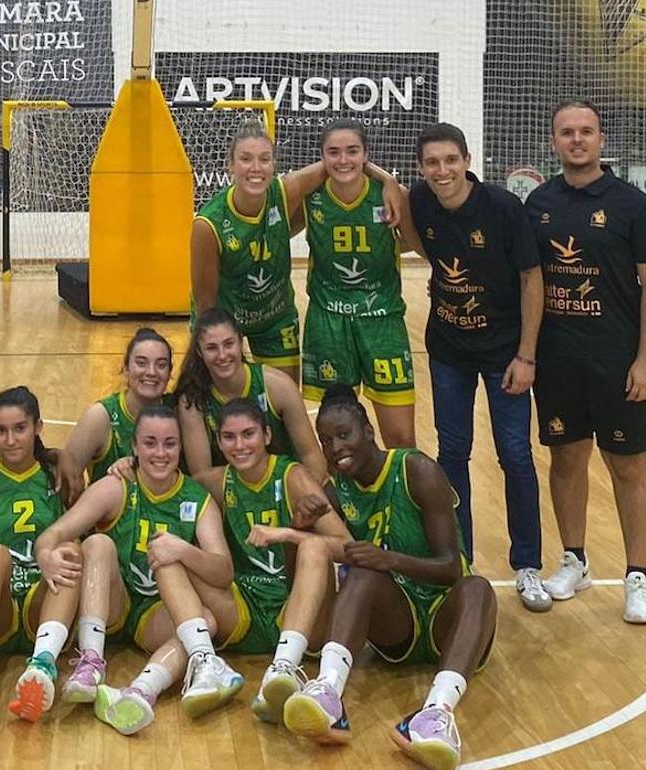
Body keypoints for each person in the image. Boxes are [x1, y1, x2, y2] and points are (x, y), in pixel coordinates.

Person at [282, 386, 496, 770]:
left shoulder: (417, 470)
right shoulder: (336, 491)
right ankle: (328, 693)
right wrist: (298, 529)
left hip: (447, 616)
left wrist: (389, 559)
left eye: (343, 434)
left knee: (478, 588)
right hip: (398, 627)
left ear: (368, 431)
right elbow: (293, 578)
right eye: (326, 441)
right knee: (363, 574)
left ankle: (435, 715)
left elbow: (451, 567)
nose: (335, 448)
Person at [524, 99, 646, 624]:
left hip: (616, 360)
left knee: (628, 465)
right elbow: (527, 279)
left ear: (602, 139)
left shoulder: (633, 205)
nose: (577, 140)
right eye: (567, 132)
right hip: (557, 360)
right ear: (554, 141)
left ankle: (637, 577)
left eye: (586, 131)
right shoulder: (538, 203)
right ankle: (575, 560)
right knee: (566, 459)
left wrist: (645, 360)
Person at [404, 122, 550, 612]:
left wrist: (526, 355)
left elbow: (532, 279)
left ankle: (527, 565)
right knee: (453, 454)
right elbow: (417, 239)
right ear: (421, 168)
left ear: (467, 160)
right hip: (449, 350)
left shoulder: (503, 208)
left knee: (516, 455)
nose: (442, 171)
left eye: (451, 160)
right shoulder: (420, 201)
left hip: (504, 352)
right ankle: (459, 560)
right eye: (432, 163)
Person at [34, 405, 244, 736]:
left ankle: (141, 690)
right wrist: (44, 554)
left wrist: (184, 550)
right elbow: (55, 533)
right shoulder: (116, 486)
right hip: (112, 602)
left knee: (206, 620)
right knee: (97, 544)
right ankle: (91, 661)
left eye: (169, 443)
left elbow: (223, 571)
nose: (160, 453)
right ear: (134, 446)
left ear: (180, 447)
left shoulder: (196, 498)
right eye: (150, 443)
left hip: (155, 613)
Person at [191, 120, 405, 384]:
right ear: (230, 165)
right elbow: (206, 305)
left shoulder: (285, 191)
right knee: (226, 396)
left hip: (274, 319)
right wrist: (218, 343)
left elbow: (339, 165)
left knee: (284, 399)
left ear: (274, 165)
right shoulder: (208, 224)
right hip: (225, 318)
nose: (256, 168)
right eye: (245, 159)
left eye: (264, 159)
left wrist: (388, 179)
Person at [190, 398, 351, 725]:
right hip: (243, 611)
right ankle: (206, 662)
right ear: (218, 442)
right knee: (177, 553)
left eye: (248, 434)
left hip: (297, 611)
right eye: (229, 437)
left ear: (266, 435)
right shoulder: (215, 482)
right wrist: (126, 466)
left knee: (314, 548)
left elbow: (346, 546)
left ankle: (284, 666)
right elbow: (161, 487)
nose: (239, 445)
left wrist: (288, 534)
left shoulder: (293, 477)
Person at [0, 386, 82, 738]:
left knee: (71, 548)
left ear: (38, 427)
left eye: (20, 428)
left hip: (46, 604)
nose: (10, 440)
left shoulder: (58, 477)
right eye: (1, 430)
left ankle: (42, 665)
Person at [301, 118, 417, 448]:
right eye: (333, 152)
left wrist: (388, 180)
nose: (343, 160)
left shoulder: (391, 195)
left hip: (382, 320)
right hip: (329, 322)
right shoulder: (309, 198)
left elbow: (414, 242)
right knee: (336, 437)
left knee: (401, 437)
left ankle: (397, 484)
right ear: (321, 156)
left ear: (366, 154)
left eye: (352, 151)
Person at [174, 308, 326, 481]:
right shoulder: (192, 401)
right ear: (199, 352)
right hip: (230, 491)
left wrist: (305, 491)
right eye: (211, 348)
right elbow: (202, 475)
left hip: (285, 484)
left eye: (228, 344)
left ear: (240, 343)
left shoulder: (278, 386)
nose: (222, 355)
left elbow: (311, 455)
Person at [55, 328, 174, 507]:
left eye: (161, 365)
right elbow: (65, 485)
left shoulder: (178, 410)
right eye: (141, 363)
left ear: (170, 373)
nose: (151, 372)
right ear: (126, 369)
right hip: (108, 520)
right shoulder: (100, 416)